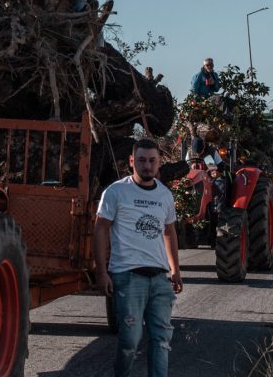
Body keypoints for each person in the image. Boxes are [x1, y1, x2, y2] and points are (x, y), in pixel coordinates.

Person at [94, 138, 182, 377]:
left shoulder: (164, 195)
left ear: (159, 162)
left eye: (152, 160)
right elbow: (100, 228)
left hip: (160, 279)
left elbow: (168, 231)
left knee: (161, 340)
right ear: (132, 161)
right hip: (128, 278)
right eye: (141, 160)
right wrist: (102, 272)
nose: (147, 165)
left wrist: (175, 269)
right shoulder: (116, 192)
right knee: (130, 341)